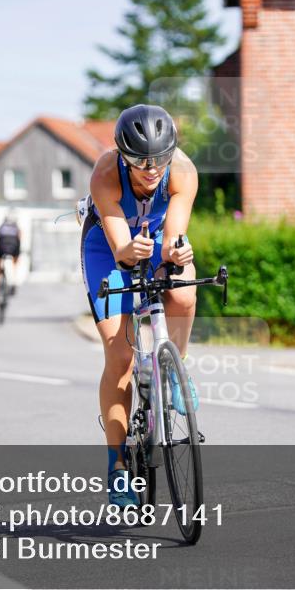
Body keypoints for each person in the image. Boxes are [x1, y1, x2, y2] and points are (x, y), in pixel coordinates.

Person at [79, 104, 198, 508]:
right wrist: (130, 251)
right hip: (108, 249)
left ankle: (175, 367)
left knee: (183, 291)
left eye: (159, 159)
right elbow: (120, 249)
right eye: (140, 160)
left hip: (155, 241)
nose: (151, 168)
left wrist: (176, 253)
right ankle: (116, 468)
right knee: (120, 355)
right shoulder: (106, 173)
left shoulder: (182, 171)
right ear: (122, 155)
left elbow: (174, 235)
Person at [0, 213, 21, 316]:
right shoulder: (17, 228)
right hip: (13, 247)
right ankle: (13, 283)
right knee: (14, 265)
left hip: (0, 248)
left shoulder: (1, 227)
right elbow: (19, 242)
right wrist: (16, 259)